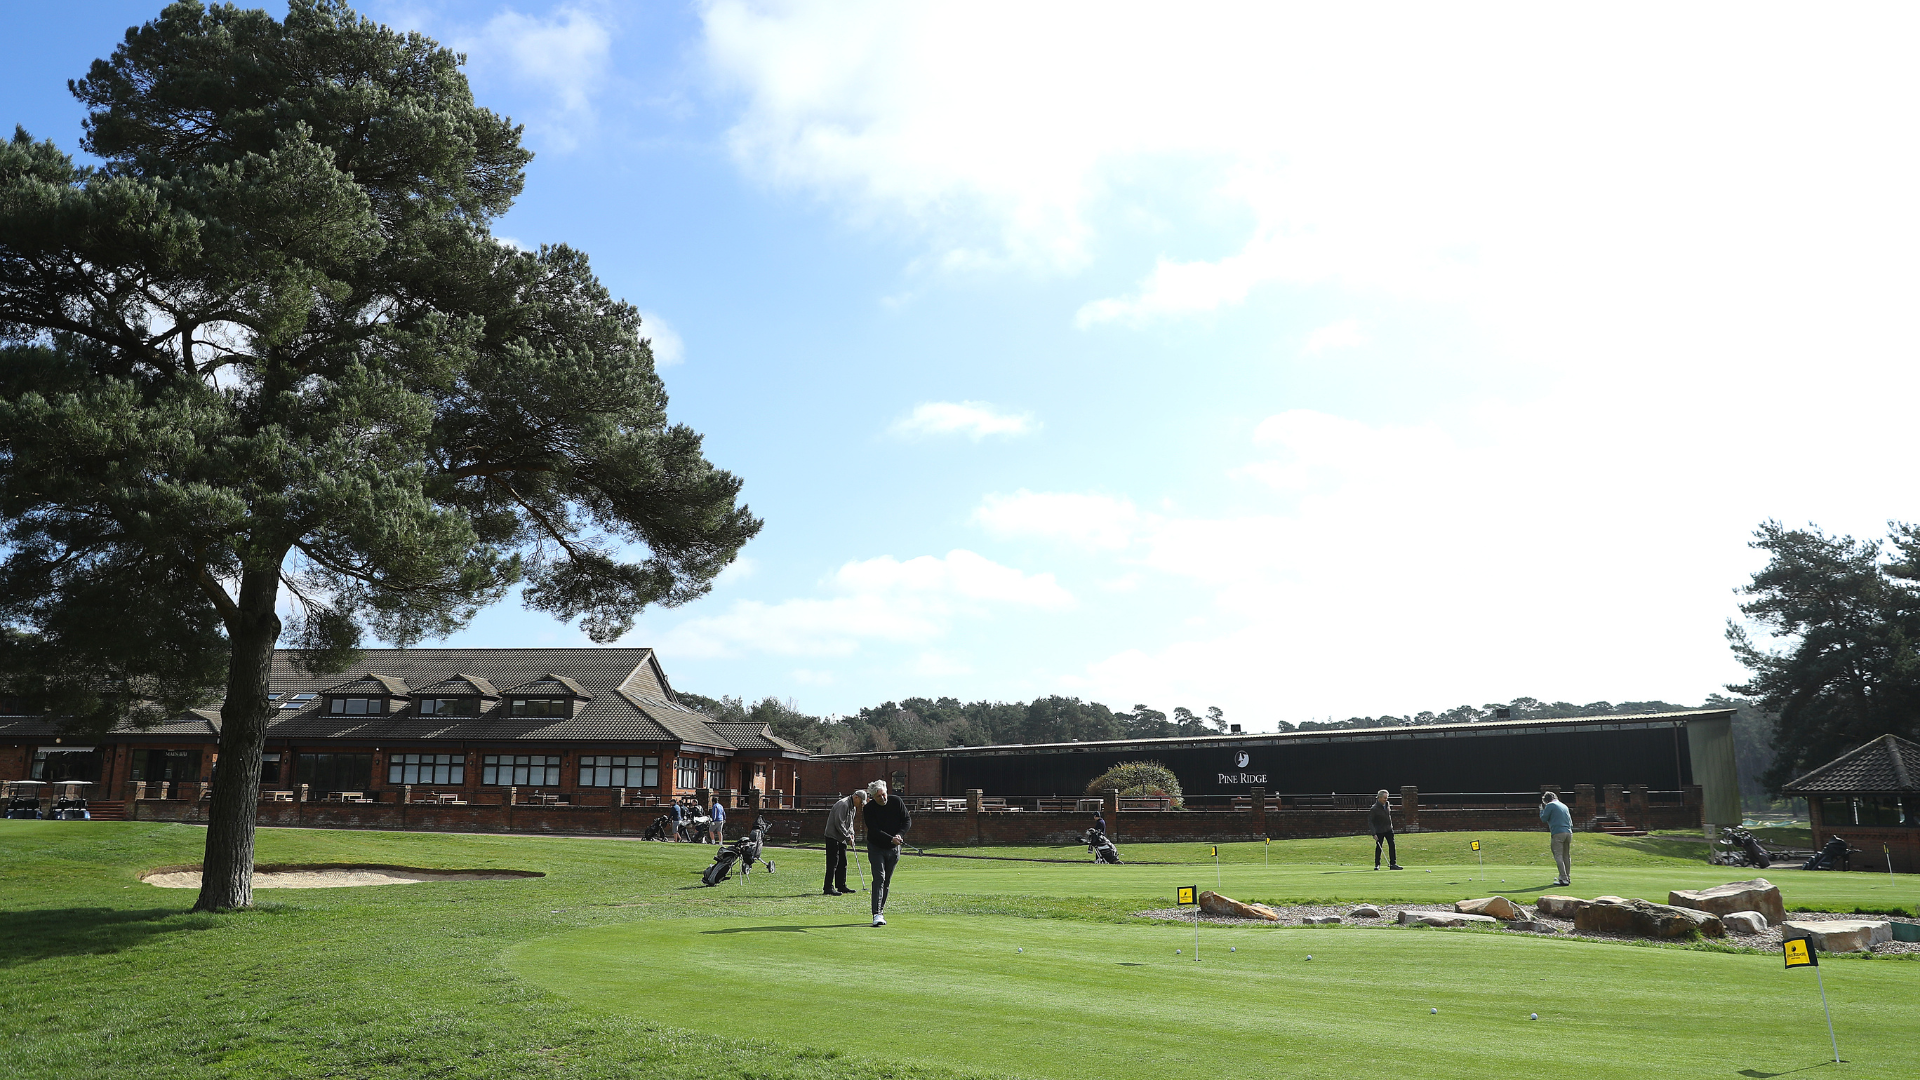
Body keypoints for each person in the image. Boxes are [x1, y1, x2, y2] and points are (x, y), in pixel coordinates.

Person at [861, 779, 911, 926]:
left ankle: (881, 911)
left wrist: (900, 835)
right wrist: (891, 838)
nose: (883, 798)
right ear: (872, 797)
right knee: (879, 878)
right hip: (876, 847)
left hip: (894, 849)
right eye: (878, 797)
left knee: (886, 881)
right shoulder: (869, 809)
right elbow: (874, 830)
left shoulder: (896, 801)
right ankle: (876, 914)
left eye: (884, 794)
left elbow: (907, 820)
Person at [823, 788, 867, 895]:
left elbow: (850, 823)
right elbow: (839, 823)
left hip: (841, 837)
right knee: (833, 862)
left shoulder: (853, 807)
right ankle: (828, 887)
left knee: (843, 862)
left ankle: (841, 886)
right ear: (856, 797)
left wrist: (851, 835)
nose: (861, 804)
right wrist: (848, 837)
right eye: (860, 801)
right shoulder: (843, 804)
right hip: (832, 836)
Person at [1540, 791, 1573, 886]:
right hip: (1568, 832)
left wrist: (1542, 810)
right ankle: (1568, 877)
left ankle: (1563, 878)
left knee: (1558, 855)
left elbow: (1544, 819)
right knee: (1566, 856)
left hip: (1558, 832)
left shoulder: (1550, 805)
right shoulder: (1564, 805)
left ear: (1546, 800)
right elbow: (1571, 822)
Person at [1369, 789, 1402, 870]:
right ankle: (1377, 864)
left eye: (1387, 798)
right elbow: (1370, 821)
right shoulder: (1374, 808)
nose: (1386, 799)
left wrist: (1391, 826)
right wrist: (1374, 833)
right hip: (1379, 830)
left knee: (1392, 845)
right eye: (1384, 798)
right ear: (1379, 798)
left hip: (1388, 829)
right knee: (1379, 847)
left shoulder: (1387, 804)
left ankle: (1393, 864)